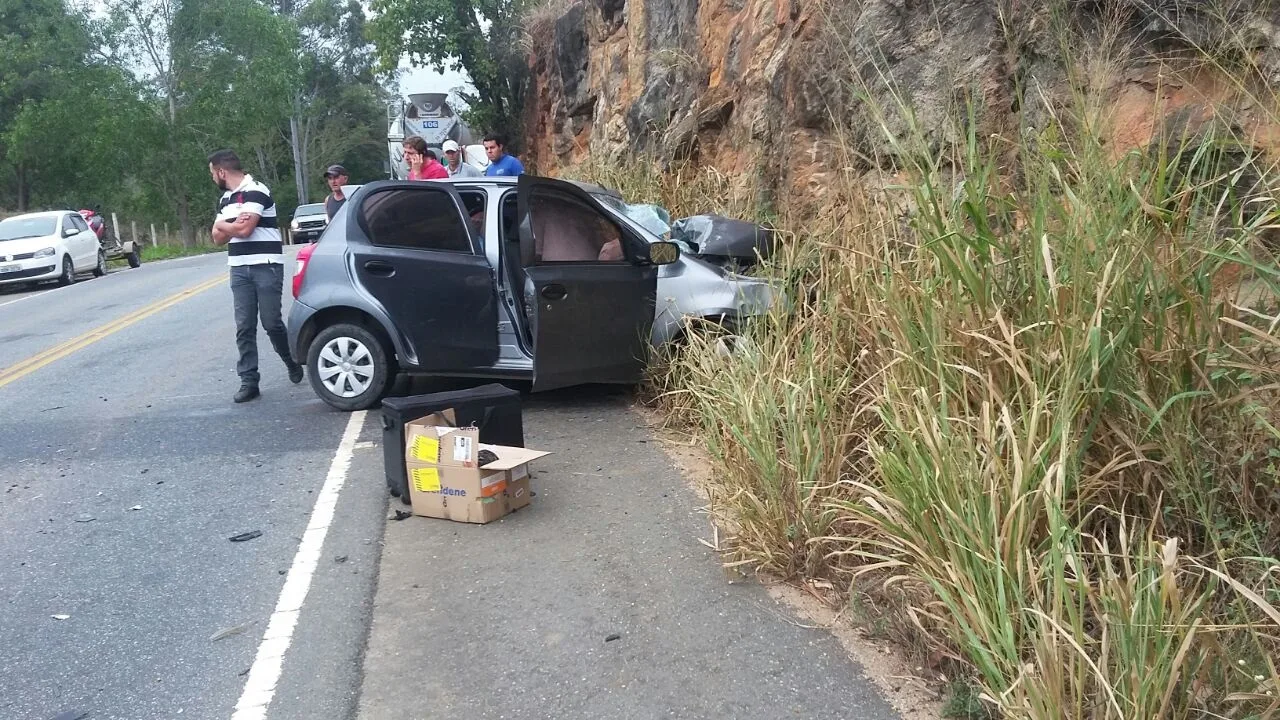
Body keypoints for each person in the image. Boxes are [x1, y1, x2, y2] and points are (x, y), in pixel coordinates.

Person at [208, 149, 304, 404]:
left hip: (266, 265)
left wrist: (225, 225)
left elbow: (245, 229)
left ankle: (291, 360)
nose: (212, 178)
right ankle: (249, 381)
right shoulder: (225, 199)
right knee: (244, 326)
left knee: (271, 323)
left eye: (212, 173)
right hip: (239, 267)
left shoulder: (257, 189)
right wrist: (229, 227)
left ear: (221, 171)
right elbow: (217, 238)